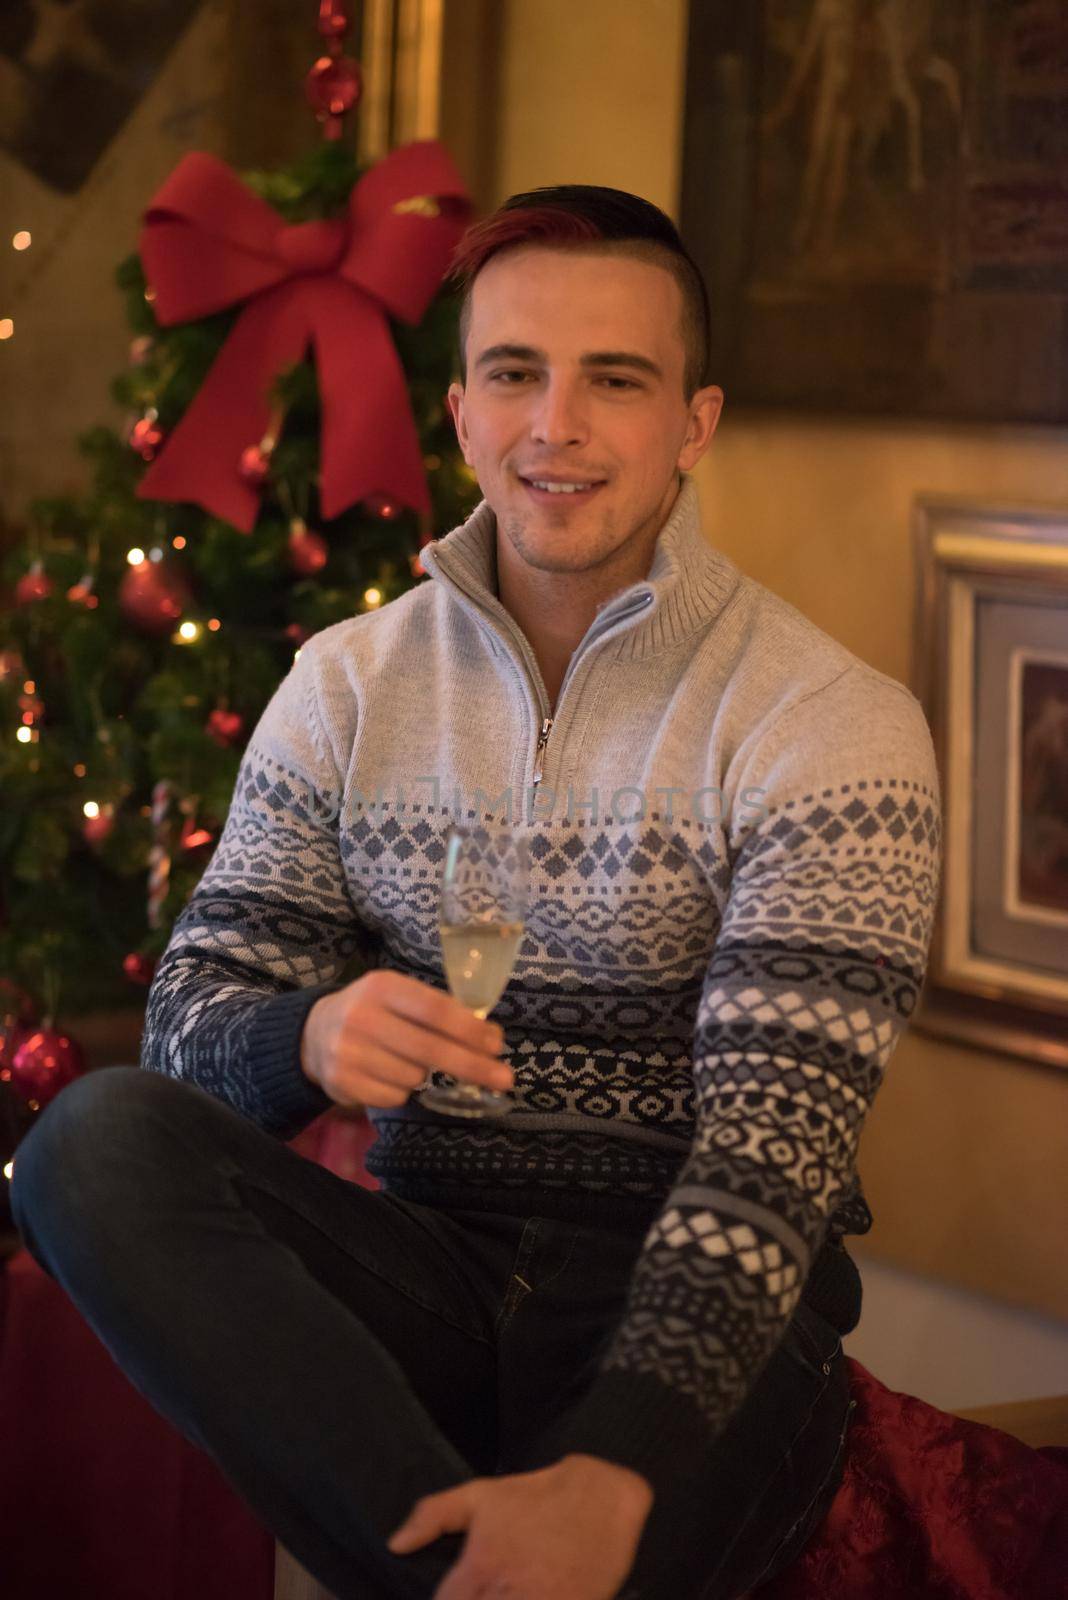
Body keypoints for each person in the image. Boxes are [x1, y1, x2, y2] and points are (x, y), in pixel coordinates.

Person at [11, 185, 942, 1600]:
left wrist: (615, 1467)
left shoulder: (830, 723)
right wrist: (306, 1040)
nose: (554, 425)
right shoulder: (345, 684)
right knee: (91, 1143)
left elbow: (774, 1158)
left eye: (613, 381)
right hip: (425, 1273)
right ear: (459, 413)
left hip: (696, 1320)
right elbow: (189, 1025)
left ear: (693, 422)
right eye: (515, 374)